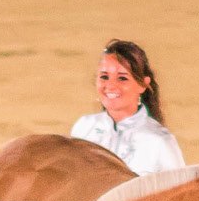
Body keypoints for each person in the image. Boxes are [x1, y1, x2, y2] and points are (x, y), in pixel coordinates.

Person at [69, 40, 184, 175]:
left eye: (122, 78)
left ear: (143, 84)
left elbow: (183, 194)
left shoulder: (160, 141)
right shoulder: (84, 127)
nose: (110, 86)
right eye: (104, 77)